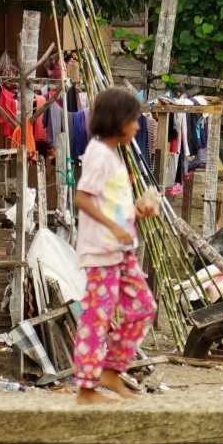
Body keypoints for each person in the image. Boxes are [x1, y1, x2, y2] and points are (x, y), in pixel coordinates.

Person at [71, 87, 158, 404]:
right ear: (119, 121)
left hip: (120, 250)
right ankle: (86, 388)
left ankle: (111, 369)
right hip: (101, 252)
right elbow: (82, 197)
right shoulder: (97, 155)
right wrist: (113, 228)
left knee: (144, 308)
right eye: (134, 120)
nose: (138, 126)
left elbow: (111, 207)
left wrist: (137, 211)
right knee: (97, 317)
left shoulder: (112, 156)